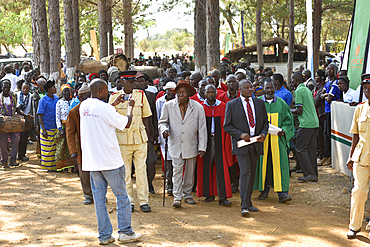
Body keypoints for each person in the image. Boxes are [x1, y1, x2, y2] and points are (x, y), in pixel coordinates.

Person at [79, 79, 141, 244]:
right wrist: (130, 107)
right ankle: (125, 232)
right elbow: (126, 124)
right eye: (106, 90)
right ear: (100, 90)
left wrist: (113, 104)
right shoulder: (105, 109)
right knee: (122, 197)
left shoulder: (83, 106)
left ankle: (105, 236)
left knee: (99, 200)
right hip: (110, 161)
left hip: (93, 162)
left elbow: (101, 116)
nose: (108, 93)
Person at [108, 71, 152, 213]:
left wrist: (149, 138)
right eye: (129, 81)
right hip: (122, 140)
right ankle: (129, 201)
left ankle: (144, 201)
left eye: (134, 81)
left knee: (141, 171)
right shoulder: (114, 97)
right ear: (122, 81)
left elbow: (146, 117)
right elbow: (110, 118)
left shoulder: (141, 95)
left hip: (140, 139)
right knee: (125, 173)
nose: (133, 84)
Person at [158, 80, 207, 208]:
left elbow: (202, 128)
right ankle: (177, 197)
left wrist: (202, 146)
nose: (180, 95)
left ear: (188, 94)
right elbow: (162, 122)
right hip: (175, 143)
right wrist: (164, 130)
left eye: (183, 93)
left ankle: (187, 195)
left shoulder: (198, 107)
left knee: (190, 172)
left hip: (191, 144)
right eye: (178, 93)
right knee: (177, 171)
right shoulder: (168, 106)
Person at [224, 79, 269, 216]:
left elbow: (266, 123)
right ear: (240, 89)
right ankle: (244, 206)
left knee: (252, 173)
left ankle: (249, 202)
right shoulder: (232, 105)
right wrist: (240, 134)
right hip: (242, 145)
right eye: (247, 88)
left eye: (251, 87)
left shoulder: (260, 103)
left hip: (256, 144)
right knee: (245, 172)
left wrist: (263, 134)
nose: (250, 90)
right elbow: (227, 126)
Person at [254, 79, 294, 203]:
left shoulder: (281, 104)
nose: (269, 90)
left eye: (271, 88)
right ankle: (264, 190)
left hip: (278, 141)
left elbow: (289, 122)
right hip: (263, 141)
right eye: (267, 88)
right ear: (263, 89)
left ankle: (282, 193)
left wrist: (284, 131)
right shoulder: (258, 103)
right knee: (263, 165)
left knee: (280, 165)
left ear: (274, 89)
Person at [197, 84, 233, 206]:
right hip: (205, 141)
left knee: (221, 168)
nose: (211, 94)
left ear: (216, 93)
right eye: (208, 92)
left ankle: (223, 197)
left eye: (213, 92)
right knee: (206, 166)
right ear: (204, 93)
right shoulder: (200, 107)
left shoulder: (223, 106)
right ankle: (208, 194)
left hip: (219, 140)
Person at [346, 73, 370, 239]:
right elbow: (355, 134)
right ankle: (354, 226)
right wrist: (350, 155)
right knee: (358, 192)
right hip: (361, 157)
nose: (367, 91)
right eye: (365, 88)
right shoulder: (360, 108)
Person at [66, 84, 93, 205]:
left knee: (97, 171)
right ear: (80, 97)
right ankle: (87, 194)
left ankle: (98, 193)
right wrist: (73, 151)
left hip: (95, 145)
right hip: (80, 146)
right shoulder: (73, 112)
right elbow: (70, 133)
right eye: (86, 97)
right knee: (84, 172)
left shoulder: (96, 109)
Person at [291, 72, 319, 182]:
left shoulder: (298, 91)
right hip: (314, 122)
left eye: (292, 80)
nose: (291, 82)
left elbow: (299, 110)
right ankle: (313, 173)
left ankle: (308, 174)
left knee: (299, 148)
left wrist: (289, 110)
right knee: (311, 149)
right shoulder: (307, 89)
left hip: (306, 124)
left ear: (296, 80)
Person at [0, 80, 33, 167]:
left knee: (16, 141)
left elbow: (17, 110)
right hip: (3, 124)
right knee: (3, 143)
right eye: (4, 87)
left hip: (14, 123)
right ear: (2, 88)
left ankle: (13, 160)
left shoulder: (14, 96)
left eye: (8, 87)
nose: (6, 89)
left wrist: (26, 115)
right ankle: (4, 161)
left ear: (10, 87)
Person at [135, 72, 158, 194]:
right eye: (138, 81)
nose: (141, 83)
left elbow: (154, 116)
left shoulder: (151, 96)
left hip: (148, 134)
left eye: (143, 81)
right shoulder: (131, 96)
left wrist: (155, 134)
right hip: (133, 134)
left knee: (151, 161)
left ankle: (149, 183)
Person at [217, 74, 240, 192]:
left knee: (240, 157)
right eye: (229, 82)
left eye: (233, 82)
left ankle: (239, 182)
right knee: (228, 156)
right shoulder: (221, 97)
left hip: (240, 131)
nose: (231, 84)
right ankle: (232, 183)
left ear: (237, 83)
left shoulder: (241, 96)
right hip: (226, 132)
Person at [156, 81, 176, 195]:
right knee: (168, 160)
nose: (171, 92)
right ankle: (169, 184)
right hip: (164, 134)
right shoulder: (160, 102)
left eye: (173, 90)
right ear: (165, 91)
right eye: (169, 90)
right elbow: (159, 118)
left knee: (176, 161)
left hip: (177, 134)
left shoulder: (178, 100)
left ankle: (176, 184)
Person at [320, 63, 340, 166]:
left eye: (331, 69)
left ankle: (330, 157)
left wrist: (325, 95)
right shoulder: (327, 81)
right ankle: (326, 156)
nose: (329, 71)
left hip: (332, 111)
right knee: (325, 134)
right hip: (326, 111)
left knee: (329, 134)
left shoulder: (336, 83)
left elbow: (328, 98)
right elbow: (321, 95)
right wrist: (326, 95)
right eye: (328, 69)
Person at [37, 80, 59, 171]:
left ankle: (55, 166)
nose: (55, 88)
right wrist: (44, 129)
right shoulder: (43, 101)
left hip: (56, 127)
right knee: (47, 150)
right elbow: (40, 115)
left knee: (55, 148)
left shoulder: (57, 98)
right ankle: (47, 167)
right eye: (53, 87)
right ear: (49, 89)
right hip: (47, 127)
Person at [55, 84, 74, 171]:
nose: (66, 93)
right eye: (64, 92)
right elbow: (57, 116)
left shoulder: (73, 101)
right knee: (62, 146)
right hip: (63, 126)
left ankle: (73, 166)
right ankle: (63, 166)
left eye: (68, 91)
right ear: (62, 93)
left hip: (72, 126)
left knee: (72, 146)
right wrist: (60, 129)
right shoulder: (59, 102)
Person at [16, 82, 33, 161]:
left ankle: (22, 154)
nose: (25, 90)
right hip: (18, 119)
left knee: (24, 138)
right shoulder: (17, 95)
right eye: (24, 88)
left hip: (27, 119)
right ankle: (16, 154)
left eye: (27, 88)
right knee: (17, 137)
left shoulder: (31, 97)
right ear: (21, 88)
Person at [314, 69, 326, 165]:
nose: (315, 78)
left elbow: (316, 101)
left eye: (317, 76)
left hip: (321, 115)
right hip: (316, 114)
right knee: (318, 137)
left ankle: (322, 155)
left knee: (321, 136)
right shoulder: (316, 87)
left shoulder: (323, 87)